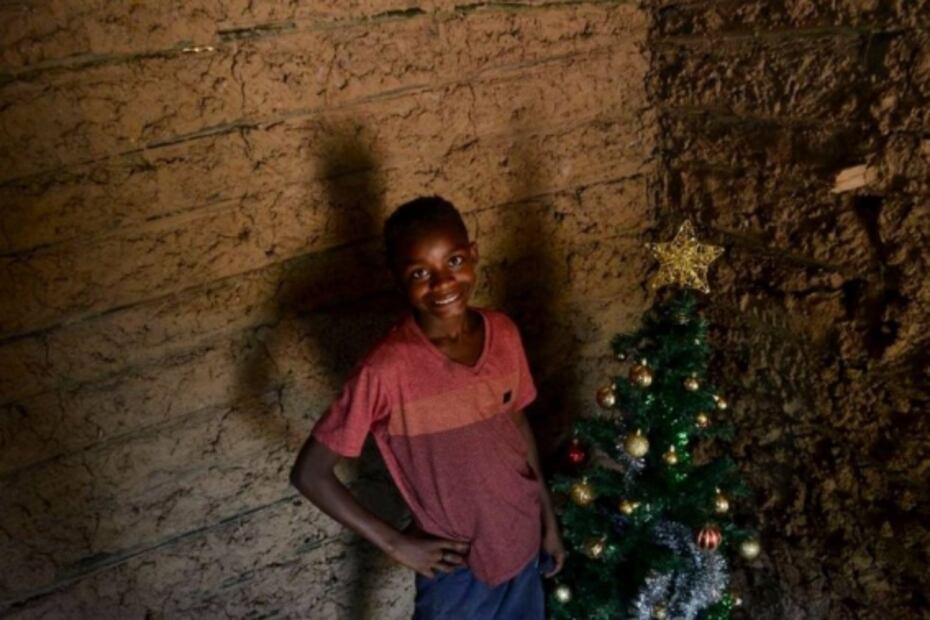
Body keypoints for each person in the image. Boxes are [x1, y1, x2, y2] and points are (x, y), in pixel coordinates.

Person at [290, 196, 566, 619]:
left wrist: (547, 518)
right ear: (398, 278)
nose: (443, 283)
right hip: (457, 572)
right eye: (420, 272)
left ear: (473, 255)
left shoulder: (504, 333)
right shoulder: (388, 368)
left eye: (454, 261)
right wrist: (397, 544)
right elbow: (310, 473)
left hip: (523, 542)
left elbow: (516, 425)